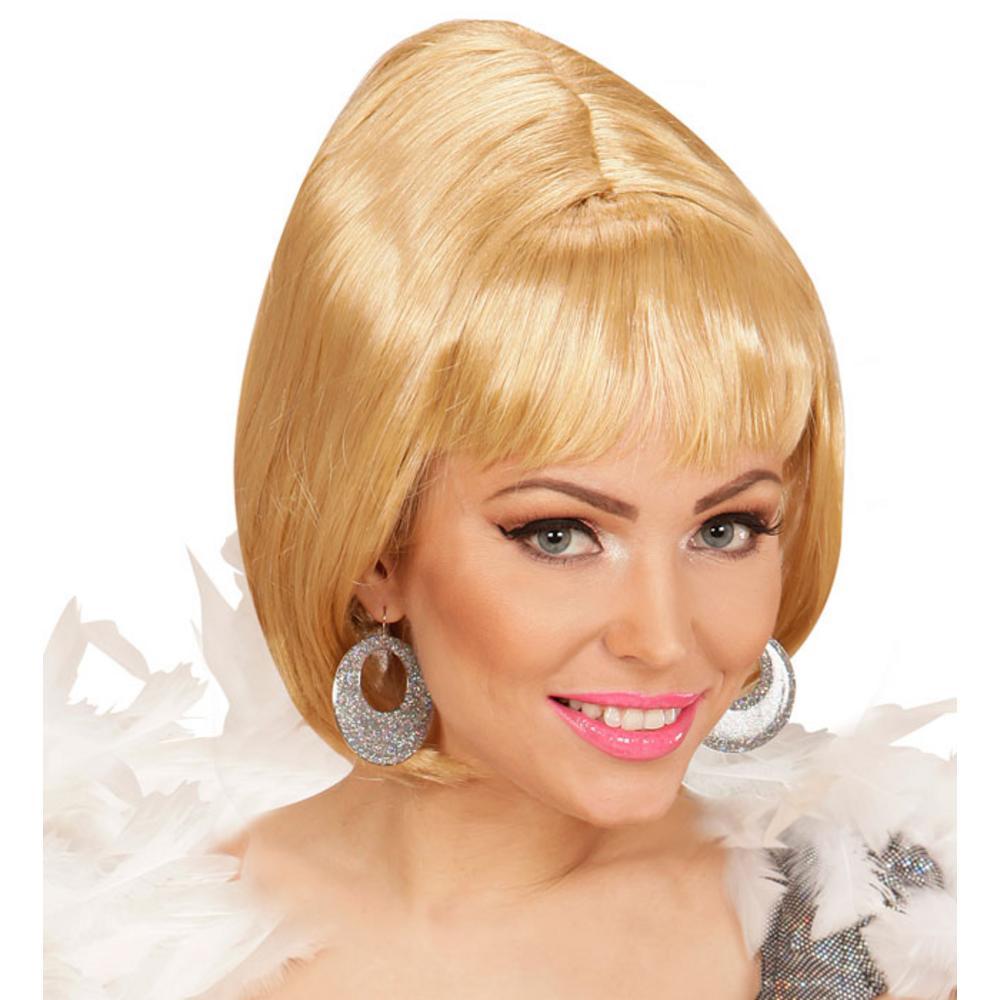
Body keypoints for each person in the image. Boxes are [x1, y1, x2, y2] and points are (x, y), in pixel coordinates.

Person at [43, 18, 956, 1000]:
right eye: (560, 535)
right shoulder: (99, 953)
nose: (661, 637)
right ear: (374, 550)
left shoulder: (894, 936)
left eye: (724, 529)